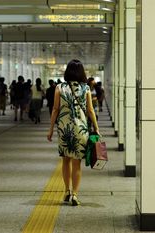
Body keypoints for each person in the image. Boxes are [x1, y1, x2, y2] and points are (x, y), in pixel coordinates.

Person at [47, 59, 100, 206]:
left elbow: (55, 110)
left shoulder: (59, 87)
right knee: (77, 163)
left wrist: (51, 129)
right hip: (81, 129)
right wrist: (96, 128)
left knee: (65, 160)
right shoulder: (86, 88)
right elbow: (90, 110)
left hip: (64, 129)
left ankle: (66, 191)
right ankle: (75, 195)